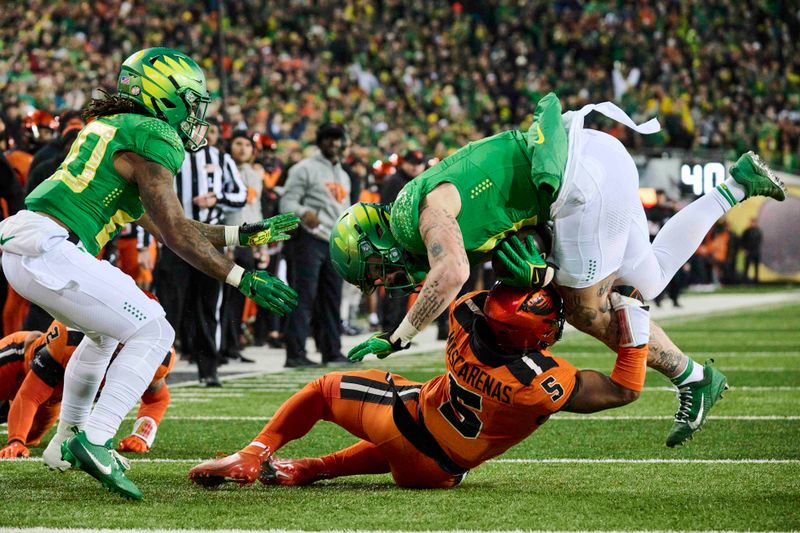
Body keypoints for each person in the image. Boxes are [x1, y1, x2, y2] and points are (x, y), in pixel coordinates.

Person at [329, 93, 786, 447]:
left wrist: (400, 335)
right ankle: (735, 185)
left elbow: (451, 272)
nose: (384, 280)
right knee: (647, 277)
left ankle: (690, 377)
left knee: (586, 309)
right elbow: (495, 217)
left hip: (578, 181)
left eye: (374, 269)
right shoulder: (419, 202)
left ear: (378, 240)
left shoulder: (422, 216)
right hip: (592, 158)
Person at [0, 48, 299, 500]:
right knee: (155, 331)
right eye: (192, 100)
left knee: (101, 336)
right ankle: (96, 439)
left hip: (36, 244)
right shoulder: (153, 133)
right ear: (165, 96)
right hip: (51, 248)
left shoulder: (120, 128)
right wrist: (241, 278)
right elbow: (178, 232)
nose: (197, 113)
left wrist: (243, 234)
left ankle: (67, 441)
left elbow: (164, 223)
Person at [187, 282, 651, 488]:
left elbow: (487, 293)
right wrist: (635, 331)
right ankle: (311, 468)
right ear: (535, 334)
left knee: (325, 390)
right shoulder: (541, 383)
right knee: (420, 442)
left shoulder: (466, 317)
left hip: (404, 421)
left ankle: (252, 455)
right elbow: (623, 390)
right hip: (439, 474)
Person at [0, 318, 174, 459]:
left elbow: (157, 399)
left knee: (29, 439)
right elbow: (30, 394)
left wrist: (141, 436)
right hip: (19, 365)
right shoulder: (70, 338)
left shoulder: (155, 355)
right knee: (18, 439)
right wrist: (15, 440)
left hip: (53, 397)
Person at [279, 123, 351, 368]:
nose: (333, 143)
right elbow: (286, 202)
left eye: (337, 139)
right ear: (319, 142)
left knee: (332, 299)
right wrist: (303, 212)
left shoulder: (344, 175)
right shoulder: (304, 169)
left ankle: (332, 350)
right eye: (328, 138)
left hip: (334, 242)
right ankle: (295, 353)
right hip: (308, 239)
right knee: (304, 297)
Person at [740, 218, 763, 283]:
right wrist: (744, 249)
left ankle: (756, 281)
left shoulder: (758, 231)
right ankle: (745, 281)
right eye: (752, 222)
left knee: (756, 267)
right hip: (748, 251)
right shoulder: (746, 231)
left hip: (756, 251)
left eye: (754, 222)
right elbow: (742, 241)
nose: (753, 224)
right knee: (746, 267)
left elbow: (760, 241)